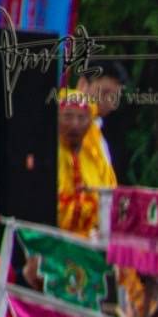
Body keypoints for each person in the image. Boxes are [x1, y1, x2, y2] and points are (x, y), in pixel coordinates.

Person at [56, 89, 115, 237]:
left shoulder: (96, 157)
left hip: (90, 243)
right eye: (68, 116)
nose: (74, 124)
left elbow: (110, 198)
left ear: (90, 122)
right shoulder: (48, 156)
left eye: (81, 118)